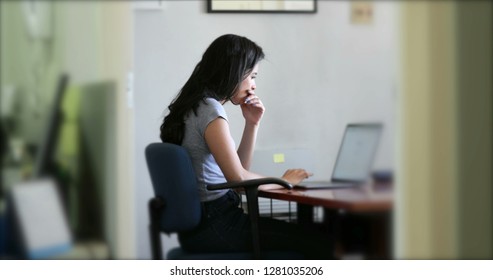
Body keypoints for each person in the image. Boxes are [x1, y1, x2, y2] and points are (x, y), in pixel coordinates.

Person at [160, 34, 332, 259]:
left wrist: (252, 123)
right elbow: (239, 181)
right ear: (233, 71)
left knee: (310, 235)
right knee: (320, 240)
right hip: (217, 225)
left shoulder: (194, 106)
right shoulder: (210, 110)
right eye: (252, 75)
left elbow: (236, 171)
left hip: (201, 227)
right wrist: (284, 182)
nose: (254, 85)